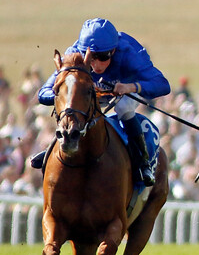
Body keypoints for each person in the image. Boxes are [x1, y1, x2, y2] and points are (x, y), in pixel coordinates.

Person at [34, 18, 170, 186]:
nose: (96, 64)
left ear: (113, 51)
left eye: (103, 56)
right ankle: (53, 149)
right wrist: (62, 95)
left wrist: (130, 87)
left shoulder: (129, 52)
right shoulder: (74, 55)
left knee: (124, 107)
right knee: (71, 108)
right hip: (88, 97)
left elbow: (162, 85)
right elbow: (43, 93)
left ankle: (142, 162)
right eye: (90, 56)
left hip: (122, 93)